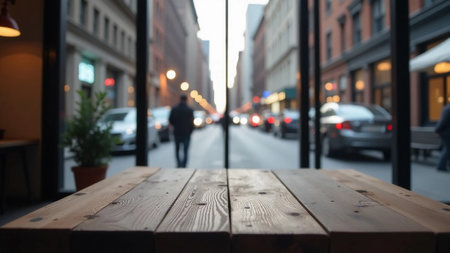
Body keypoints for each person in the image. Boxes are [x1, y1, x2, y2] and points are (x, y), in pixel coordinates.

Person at [169, 95, 194, 168]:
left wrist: (175, 126)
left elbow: (171, 120)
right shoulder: (189, 110)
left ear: (180, 99)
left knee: (177, 149)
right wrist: (190, 131)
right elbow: (192, 122)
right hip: (186, 133)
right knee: (185, 150)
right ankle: (184, 164)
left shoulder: (174, 109)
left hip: (177, 132)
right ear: (186, 100)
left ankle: (179, 163)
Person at [435, 103, 450, 171]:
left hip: (445, 132)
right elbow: (443, 121)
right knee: (447, 149)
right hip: (446, 133)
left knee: (447, 148)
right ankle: (440, 165)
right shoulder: (448, 109)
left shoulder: (446, 108)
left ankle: (442, 165)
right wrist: (437, 130)